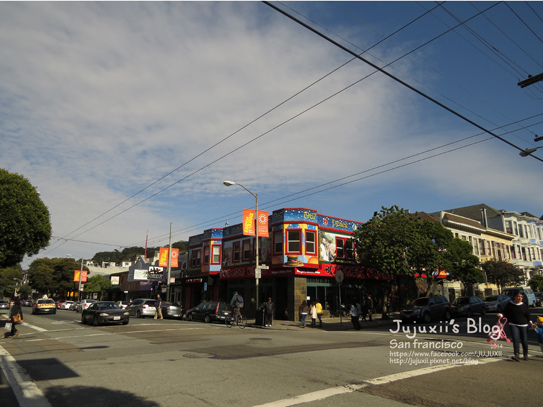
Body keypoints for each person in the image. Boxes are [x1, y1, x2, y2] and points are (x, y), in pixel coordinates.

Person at [498, 290, 532, 361]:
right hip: (513, 324)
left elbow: (528, 315)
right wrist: (501, 315)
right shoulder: (510, 304)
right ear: (514, 297)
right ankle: (516, 354)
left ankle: (525, 354)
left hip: (524, 324)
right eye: (518, 296)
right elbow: (505, 313)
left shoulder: (524, 305)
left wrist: (530, 322)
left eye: (521, 297)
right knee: (515, 338)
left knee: (524, 340)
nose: (520, 298)